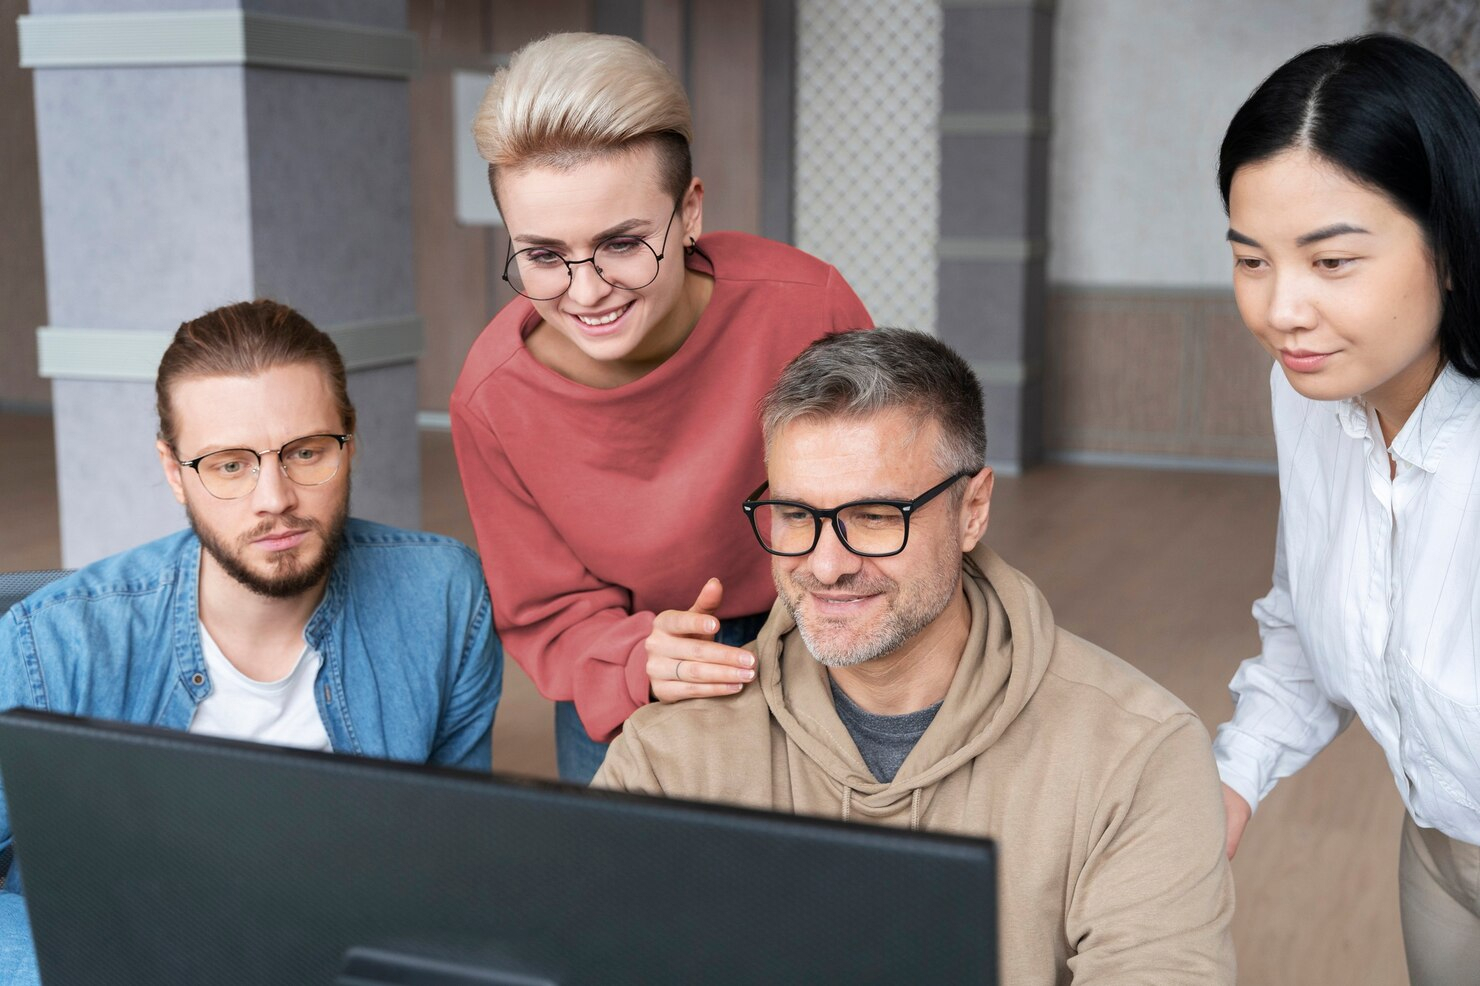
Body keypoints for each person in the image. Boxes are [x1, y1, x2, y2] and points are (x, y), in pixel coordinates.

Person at [594, 329, 1235, 983]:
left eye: (874, 516)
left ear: (973, 509)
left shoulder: (1139, 752)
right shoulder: (670, 752)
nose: (825, 565)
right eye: (794, 514)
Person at [0, 300, 503, 985]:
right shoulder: (53, 643)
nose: (276, 499)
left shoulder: (443, 598)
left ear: (349, 444)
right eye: (230, 465)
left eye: (305, 452)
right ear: (175, 471)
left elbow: (458, 858)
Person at [452, 32, 870, 783]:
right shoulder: (492, 398)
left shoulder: (808, 308)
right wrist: (636, 657)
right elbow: (548, 610)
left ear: (690, 212)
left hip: (817, 629)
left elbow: (885, 501)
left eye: (621, 243)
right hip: (627, 660)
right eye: (544, 255)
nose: (585, 293)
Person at [1211, 34, 1480, 985]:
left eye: (1331, 262)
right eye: (1251, 260)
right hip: (1441, 854)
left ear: (1449, 250)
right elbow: (1308, 617)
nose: (1281, 309)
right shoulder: (1311, 394)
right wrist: (1230, 782)